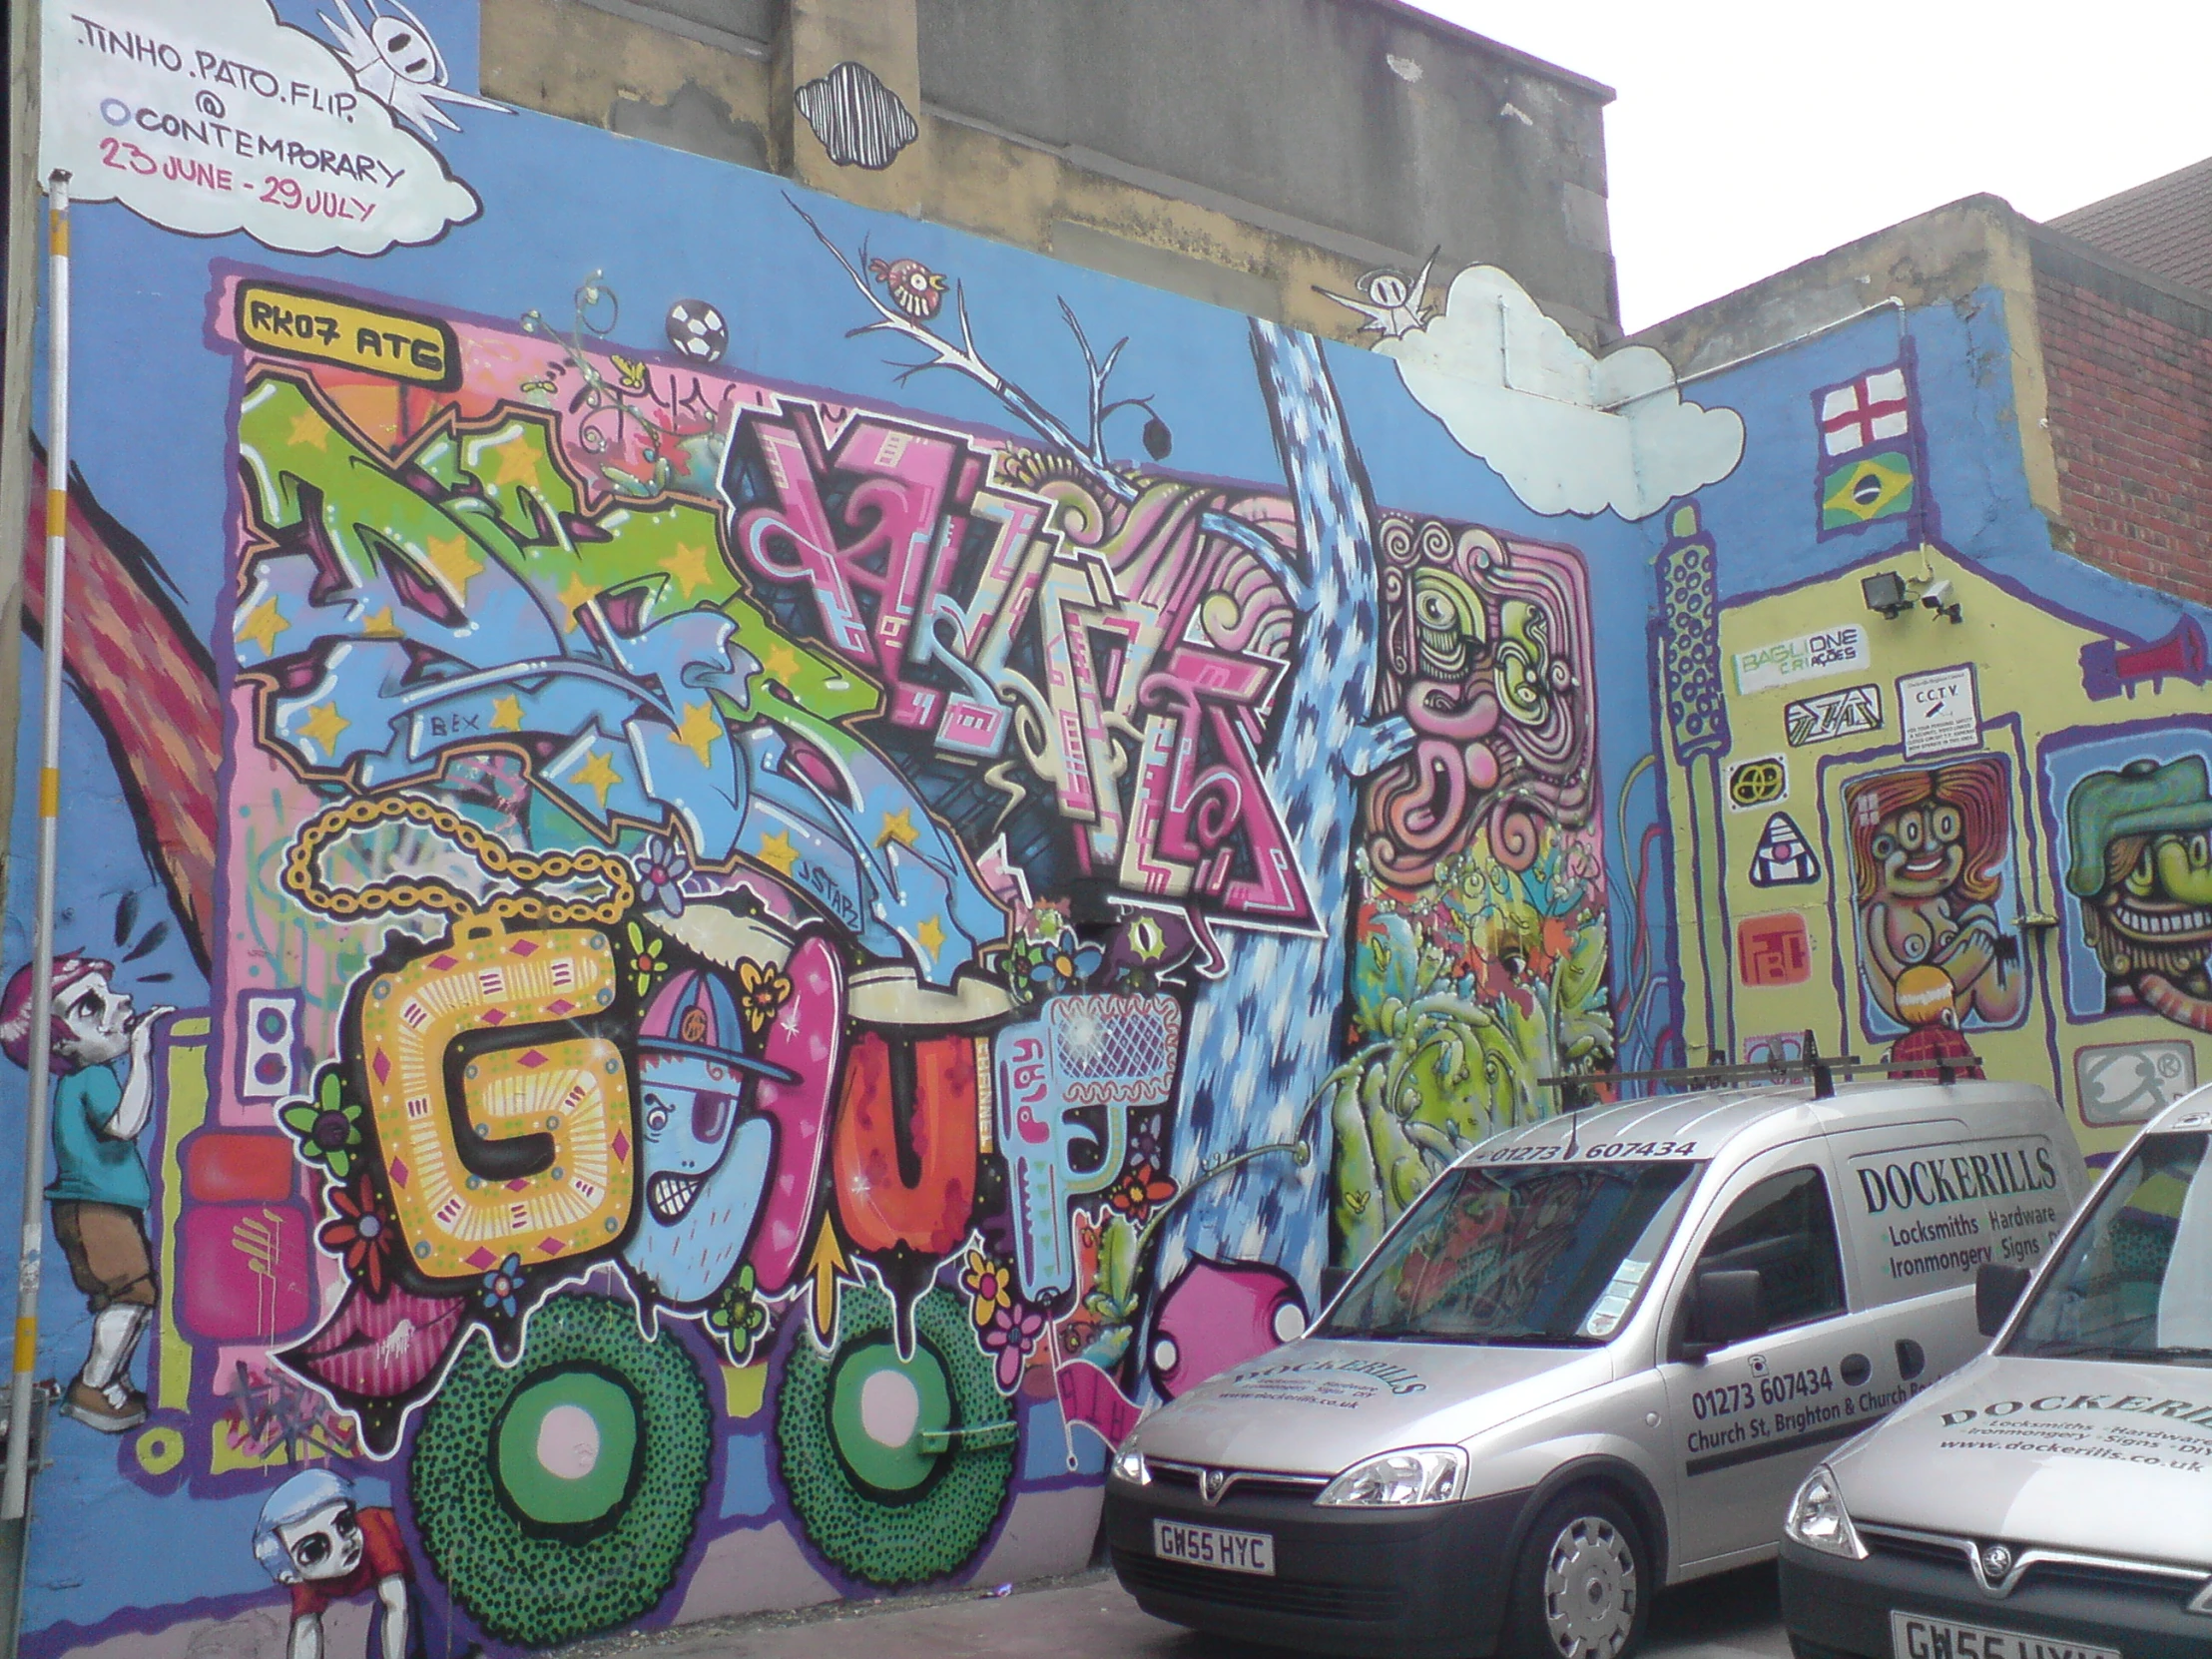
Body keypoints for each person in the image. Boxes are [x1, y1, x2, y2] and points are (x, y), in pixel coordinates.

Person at [0, 953, 171, 1430]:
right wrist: (141, 1054)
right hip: (95, 1210)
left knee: (132, 1295)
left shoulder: (88, 1075)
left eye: (107, 992)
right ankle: (94, 1387)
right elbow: (126, 1124)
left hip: (102, 1208)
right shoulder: (90, 1076)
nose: (120, 1003)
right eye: (90, 1008)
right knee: (130, 1294)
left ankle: (107, 1384)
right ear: (61, 1045)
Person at [252, 1469, 414, 1659]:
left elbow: (396, 1603)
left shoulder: (373, 1530)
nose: (344, 1544)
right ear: (289, 1575)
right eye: (313, 1550)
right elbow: (305, 1631)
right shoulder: (304, 1578)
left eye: (345, 1523)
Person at [1885, 964, 1984, 1081]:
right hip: (1959, 1097)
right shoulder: (1955, 1039)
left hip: (1923, 1098)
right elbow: (1977, 1076)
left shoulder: (1903, 1046)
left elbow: (1896, 1085)